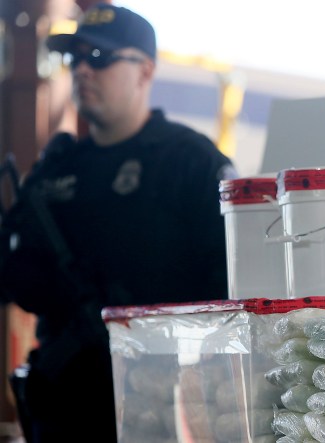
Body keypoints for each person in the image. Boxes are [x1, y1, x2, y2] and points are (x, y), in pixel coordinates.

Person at [0, 3, 236, 442]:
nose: (83, 71)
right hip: (66, 402)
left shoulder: (190, 163)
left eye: (100, 58)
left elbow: (230, 285)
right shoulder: (55, 171)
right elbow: (19, 281)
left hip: (165, 402)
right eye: (76, 58)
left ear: (145, 71)